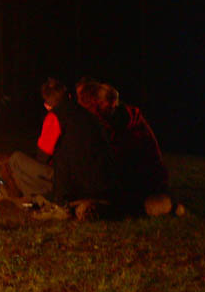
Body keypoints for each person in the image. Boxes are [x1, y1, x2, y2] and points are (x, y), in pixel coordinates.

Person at [0, 78, 119, 218]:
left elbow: (42, 156)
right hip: (102, 183)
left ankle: (45, 200)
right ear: (70, 96)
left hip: (73, 185)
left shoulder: (55, 116)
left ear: (47, 105)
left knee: (16, 159)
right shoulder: (88, 116)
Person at [76, 79, 181, 216]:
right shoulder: (114, 119)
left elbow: (120, 158)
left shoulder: (127, 125)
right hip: (143, 179)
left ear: (103, 104)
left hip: (142, 180)